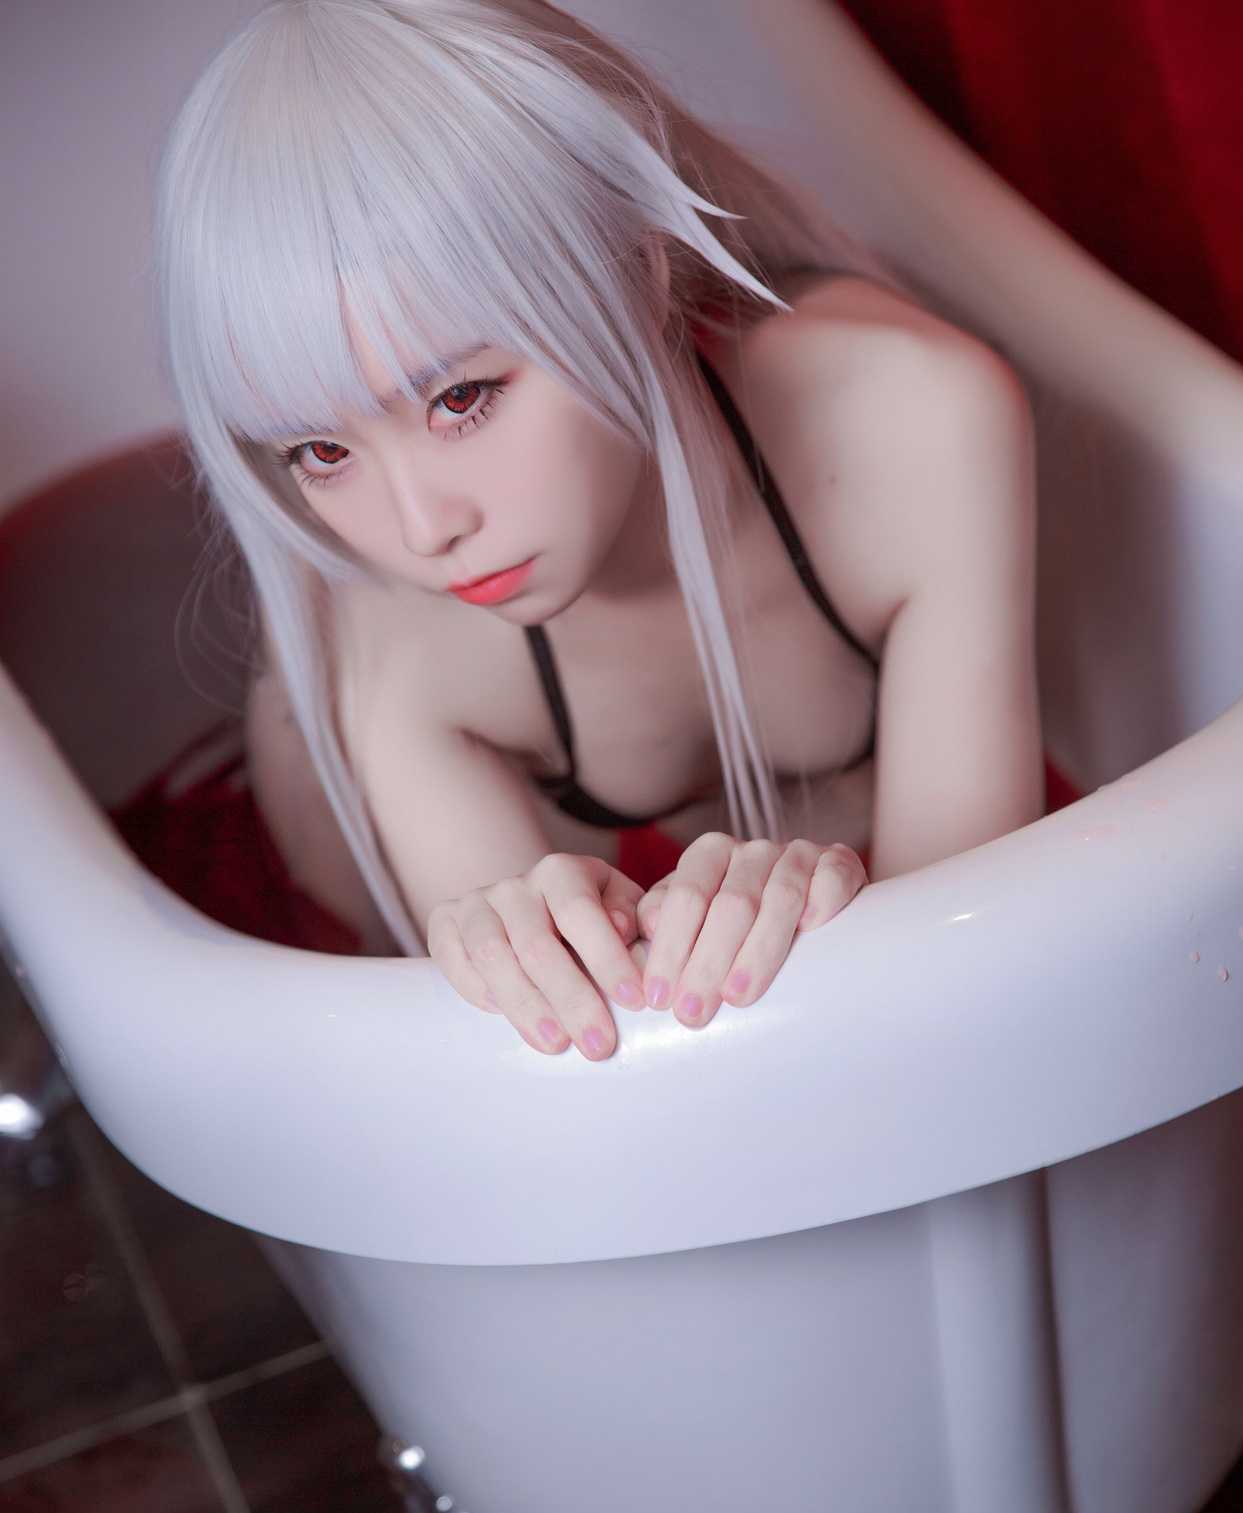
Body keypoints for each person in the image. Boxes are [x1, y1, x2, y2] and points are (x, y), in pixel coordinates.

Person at [154, 0, 1045, 1063]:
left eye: (461, 399)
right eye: (319, 451)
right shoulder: (378, 610)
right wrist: (503, 940)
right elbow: (553, 1074)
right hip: (317, 916)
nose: (422, 530)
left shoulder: (912, 418)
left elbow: (968, 978)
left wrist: (821, 903)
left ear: (640, 270)